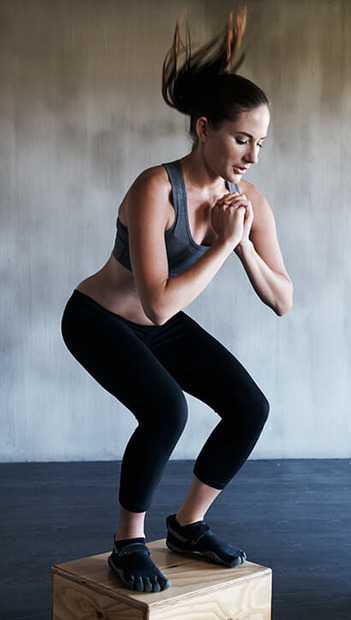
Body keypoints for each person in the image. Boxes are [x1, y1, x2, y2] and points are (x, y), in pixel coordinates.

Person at [61, 8, 292, 592]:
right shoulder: (154, 189)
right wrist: (222, 244)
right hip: (99, 319)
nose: (252, 155)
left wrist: (242, 249)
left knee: (249, 408)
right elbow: (159, 303)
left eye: (261, 143)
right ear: (203, 128)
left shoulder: (250, 201)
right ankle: (128, 542)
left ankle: (189, 525)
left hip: (157, 323)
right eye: (242, 139)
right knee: (166, 410)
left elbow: (283, 299)